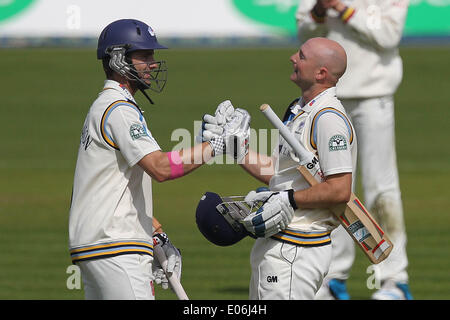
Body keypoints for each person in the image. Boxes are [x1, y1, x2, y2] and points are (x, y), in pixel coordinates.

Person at [68, 19, 249, 299]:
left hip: (100, 245)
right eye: (145, 56)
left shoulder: (109, 106)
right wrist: (216, 145)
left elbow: (114, 188)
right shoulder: (119, 109)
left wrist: (155, 232)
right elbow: (161, 168)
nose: (153, 63)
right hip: (115, 247)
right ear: (118, 59)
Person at [204, 37, 357, 299]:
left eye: (302, 56)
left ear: (321, 73)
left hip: (297, 248)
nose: (292, 58)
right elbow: (279, 172)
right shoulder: (298, 109)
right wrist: (235, 150)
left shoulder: (328, 119)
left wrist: (288, 200)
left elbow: (340, 189)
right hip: (278, 242)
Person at [296, 0, 412, 300]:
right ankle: (333, 277)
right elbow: (304, 31)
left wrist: (342, 8)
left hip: (375, 95)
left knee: (380, 188)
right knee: (331, 188)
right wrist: (321, 10)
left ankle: (393, 280)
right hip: (331, 98)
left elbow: (388, 36)